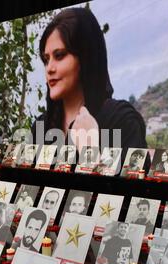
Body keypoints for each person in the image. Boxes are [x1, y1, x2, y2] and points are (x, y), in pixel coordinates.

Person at [31, 8, 147, 158]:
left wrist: (90, 151)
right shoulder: (41, 127)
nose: (49, 69)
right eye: (46, 60)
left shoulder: (121, 121)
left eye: (59, 56)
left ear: (85, 58)